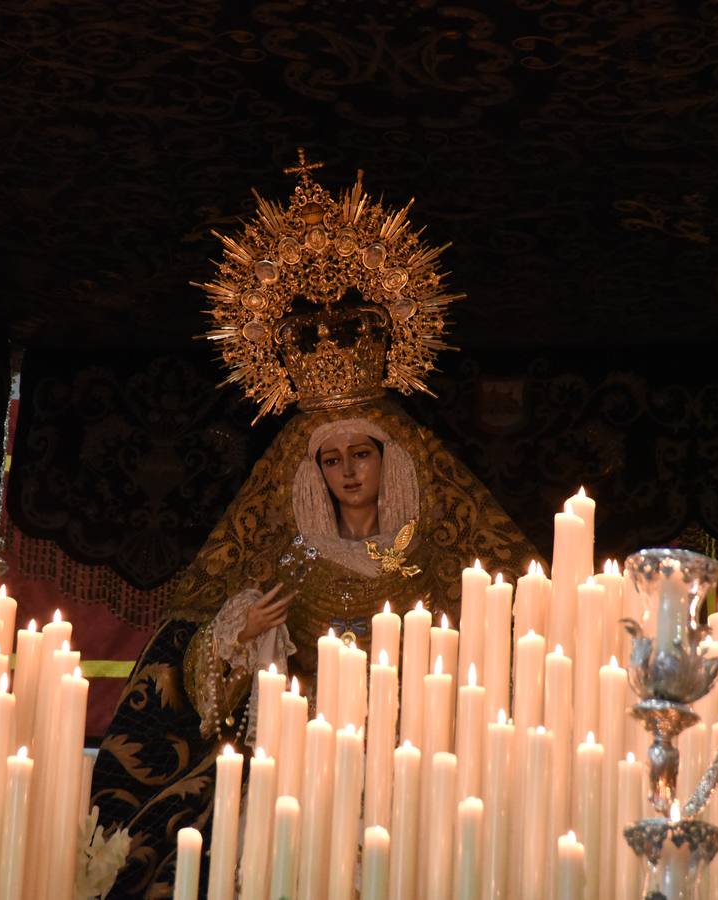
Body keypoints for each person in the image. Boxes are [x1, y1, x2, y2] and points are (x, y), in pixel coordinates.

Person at [90, 155, 537, 897]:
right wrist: (238, 632)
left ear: (390, 459)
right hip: (297, 768)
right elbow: (204, 695)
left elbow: (506, 663)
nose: (350, 471)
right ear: (313, 473)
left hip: (418, 761)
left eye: (363, 453)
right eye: (332, 460)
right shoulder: (286, 560)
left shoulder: (439, 553)